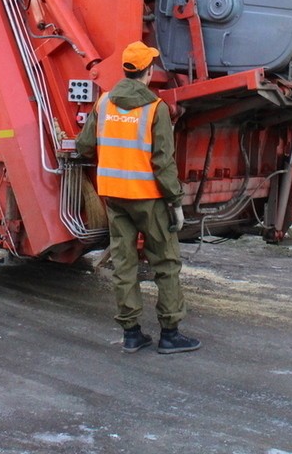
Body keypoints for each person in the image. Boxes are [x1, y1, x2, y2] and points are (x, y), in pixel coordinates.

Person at [76, 41, 201, 354]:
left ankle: (132, 333)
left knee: (124, 263)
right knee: (166, 264)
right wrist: (175, 201)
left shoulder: (104, 103)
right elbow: (163, 162)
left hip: (114, 199)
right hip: (149, 199)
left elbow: (83, 146)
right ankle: (170, 334)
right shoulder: (155, 109)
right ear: (147, 73)